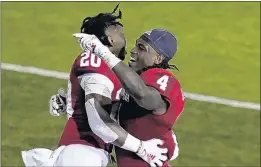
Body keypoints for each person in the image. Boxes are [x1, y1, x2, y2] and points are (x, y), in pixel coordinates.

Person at [21, 5, 167, 167]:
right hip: (83, 152)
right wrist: (141, 148)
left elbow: (101, 107)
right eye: (121, 34)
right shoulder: (95, 59)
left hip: (85, 152)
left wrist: (72, 103)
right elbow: (99, 121)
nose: (126, 41)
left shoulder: (108, 68)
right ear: (110, 39)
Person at [73, 28, 185, 167]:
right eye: (136, 45)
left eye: (141, 48)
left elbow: (143, 95)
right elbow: (108, 111)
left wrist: (104, 53)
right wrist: (71, 102)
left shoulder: (164, 79)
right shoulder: (134, 81)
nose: (133, 51)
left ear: (157, 58)